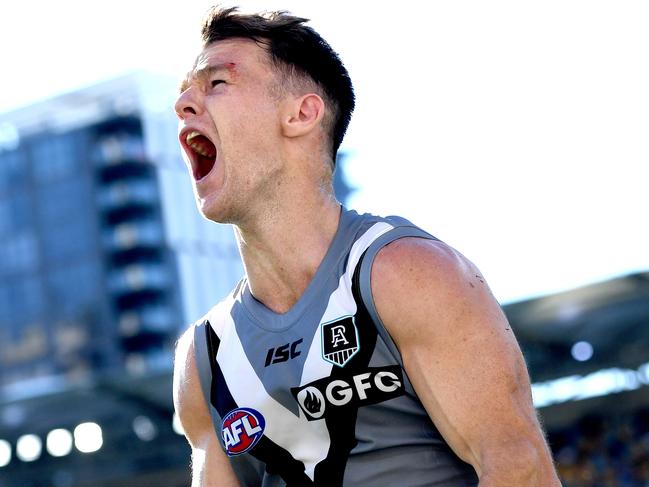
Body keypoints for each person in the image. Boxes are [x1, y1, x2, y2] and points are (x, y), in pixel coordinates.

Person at [172, 6, 560, 486]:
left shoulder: (405, 272)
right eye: (185, 90)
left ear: (301, 114)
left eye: (217, 84)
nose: (184, 103)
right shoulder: (205, 358)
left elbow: (521, 473)